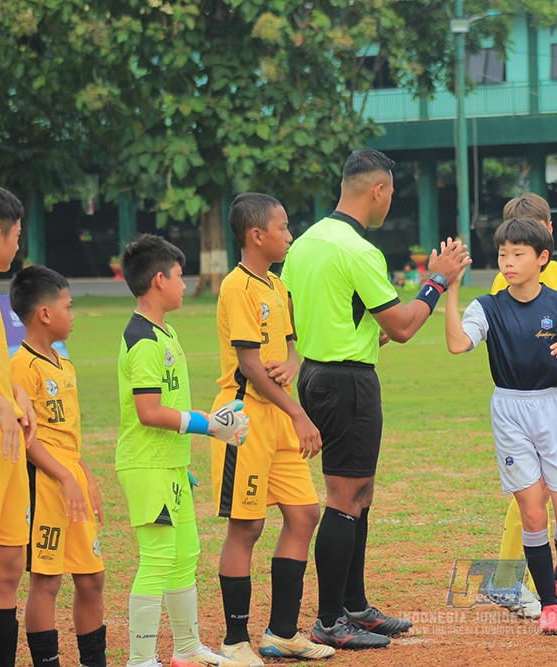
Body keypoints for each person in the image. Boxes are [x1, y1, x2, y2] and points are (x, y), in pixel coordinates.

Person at [281, 148, 469, 650]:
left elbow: (302, 312)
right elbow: (404, 327)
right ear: (378, 191)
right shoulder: (359, 250)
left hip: (319, 373)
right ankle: (329, 619)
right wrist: (437, 280)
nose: (390, 202)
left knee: (359, 494)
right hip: (347, 382)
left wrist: (359, 332)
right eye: (391, 193)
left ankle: (354, 605)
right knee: (345, 498)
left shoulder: (306, 242)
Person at [445, 217, 557, 634]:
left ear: (542, 257)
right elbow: (458, 344)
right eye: (503, 255)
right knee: (533, 514)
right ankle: (549, 604)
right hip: (510, 411)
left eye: (518, 254)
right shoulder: (487, 306)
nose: (508, 262)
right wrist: (452, 288)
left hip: (556, 409)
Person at [116, 234, 249, 667]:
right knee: (157, 558)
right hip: (148, 465)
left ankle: (187, 649)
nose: (185, 285)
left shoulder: (165, 331)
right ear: (159, 280)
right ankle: (140, 659)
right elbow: (149, 412)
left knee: (185, 554)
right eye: (179, 276)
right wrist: (208, 425)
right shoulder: (143, 339)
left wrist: (180, 461)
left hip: (170, 465)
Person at [211, 194, 332, 663]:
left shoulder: (277, 286)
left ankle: (281, 633)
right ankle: (234, 641)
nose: (290, 235)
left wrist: (293, 362)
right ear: (256, 235)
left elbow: (288, 346)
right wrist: (299, 413)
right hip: (243, 418)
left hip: (278, 415)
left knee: (304, 514)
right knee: (247, 526)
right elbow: (249, 364)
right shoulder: (236, 287)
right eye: (283, 228)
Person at [9, 266, 107, 666]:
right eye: (68, 306)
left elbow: (68, 433)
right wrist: (64, 475)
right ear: (45, 314)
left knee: (92, 577)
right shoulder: (21, 366)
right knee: (47, 581)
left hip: (71, 479)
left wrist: (85, 476)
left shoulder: (63, 364)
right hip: (46, 482)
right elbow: (26, 436)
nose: (73, 314)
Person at [486, 192, 557, 619]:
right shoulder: (508, 282)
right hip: (526, 399)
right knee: (531, 498)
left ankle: (534, 581)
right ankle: (507, 580)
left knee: (546, 496)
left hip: (554, 395)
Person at [0, 183, 37, 667]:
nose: (19, 247)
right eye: (17, 236)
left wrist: (16, 394)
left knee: (6, 568)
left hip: (5, 455)